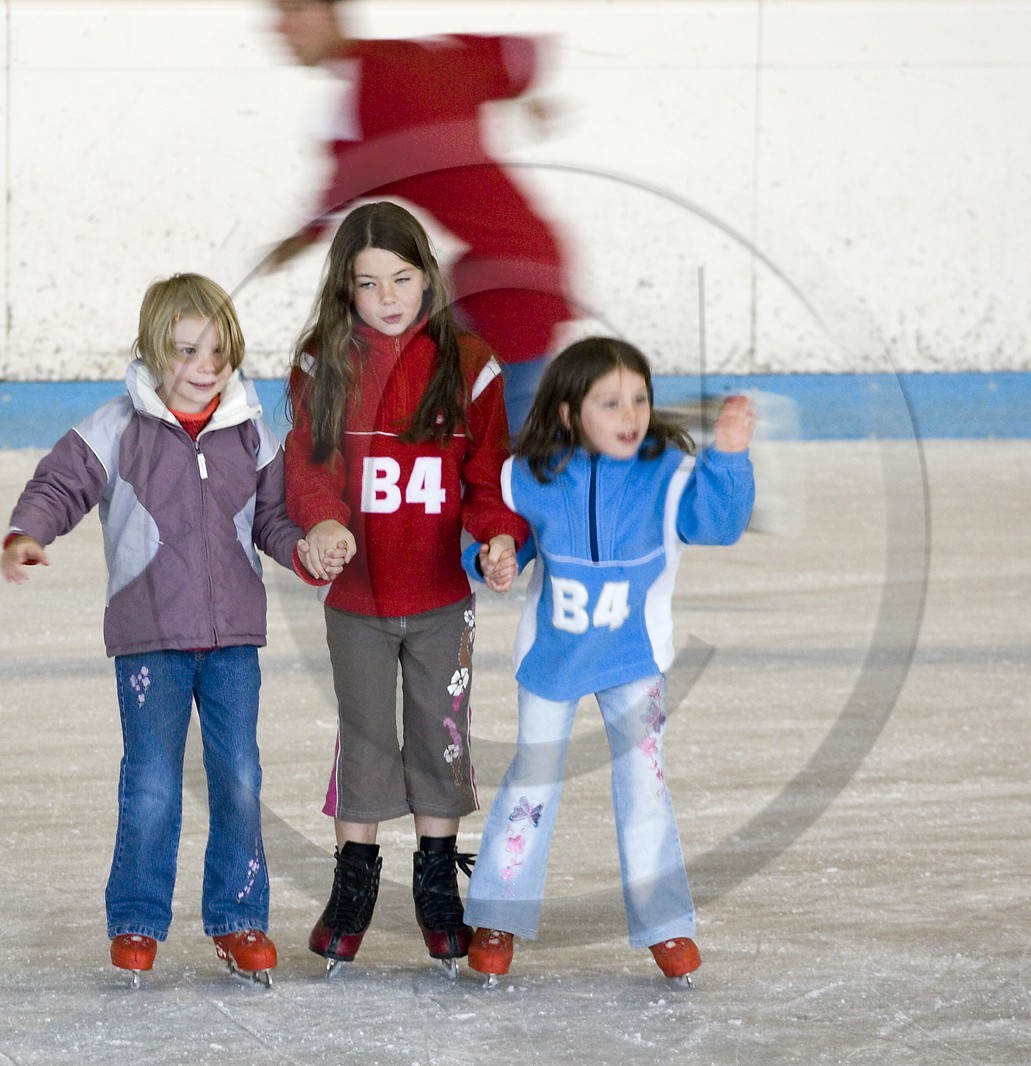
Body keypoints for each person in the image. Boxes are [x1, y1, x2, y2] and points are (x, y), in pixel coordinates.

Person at [0, 273, 330, 986]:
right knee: (151, 782)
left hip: (233, 639)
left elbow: (272, 519)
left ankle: (238, 916)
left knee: (240, 777)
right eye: (186, 351)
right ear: (152, 349)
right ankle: (137, 920)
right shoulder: (116, 428)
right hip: (150, 637)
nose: (204, 367)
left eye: (218, 352)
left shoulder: (250, 430)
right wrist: (29, 531)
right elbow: (60, 484)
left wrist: (302, 551)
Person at [460, 336, 757, 984]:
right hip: (553, 660)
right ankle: (498, 915)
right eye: (611, 402)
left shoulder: (667, 474)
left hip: (633, 660)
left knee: (645, 785)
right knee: (532, 782)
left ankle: (665, 922)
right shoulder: (530, 475)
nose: (631, 415)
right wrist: (493, 558)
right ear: (569, 414)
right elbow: (495, 535)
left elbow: (718, 522)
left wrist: (729, 456)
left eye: (640, 399)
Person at [284, 200, 529, 974]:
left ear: (427, 275)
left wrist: (498, 537)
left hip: (440, 601)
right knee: (363, 735)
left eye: (401, 278)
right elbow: (310, 466)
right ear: (345, 289)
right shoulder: (323, 361)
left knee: (439, 732)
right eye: (367, 284)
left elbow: (488, 478)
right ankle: (354, 879)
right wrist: (325, 522)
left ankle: (435, 879)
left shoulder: (470, 364)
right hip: (355, 601)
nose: (386, 297)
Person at [265, 0, 574, 432]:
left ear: (332, 11)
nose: (279, 27)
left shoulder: (359, 113)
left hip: (510, 287)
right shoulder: (419, 57)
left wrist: (281, 249)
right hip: (512, 267)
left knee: (498, 432)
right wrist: (523, 100)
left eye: (295, 10)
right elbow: (520, 55)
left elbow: (326, 210)